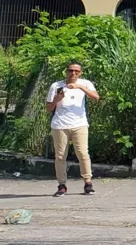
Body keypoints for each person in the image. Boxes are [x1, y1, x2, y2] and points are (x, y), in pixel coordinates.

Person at [46, 62, 99, 197]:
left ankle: (88, 182)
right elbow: (48, 108)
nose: (73, 73)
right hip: (60, 125)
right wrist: (57, 99)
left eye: (76, 71)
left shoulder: (85, 83)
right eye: (71, 70)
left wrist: (79, 87)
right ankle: (62, 185)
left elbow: (96, 97)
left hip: (79, 124)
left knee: (82, 153)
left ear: (80, 73)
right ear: (66, 71)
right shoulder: (56, 86)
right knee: (60, 156)